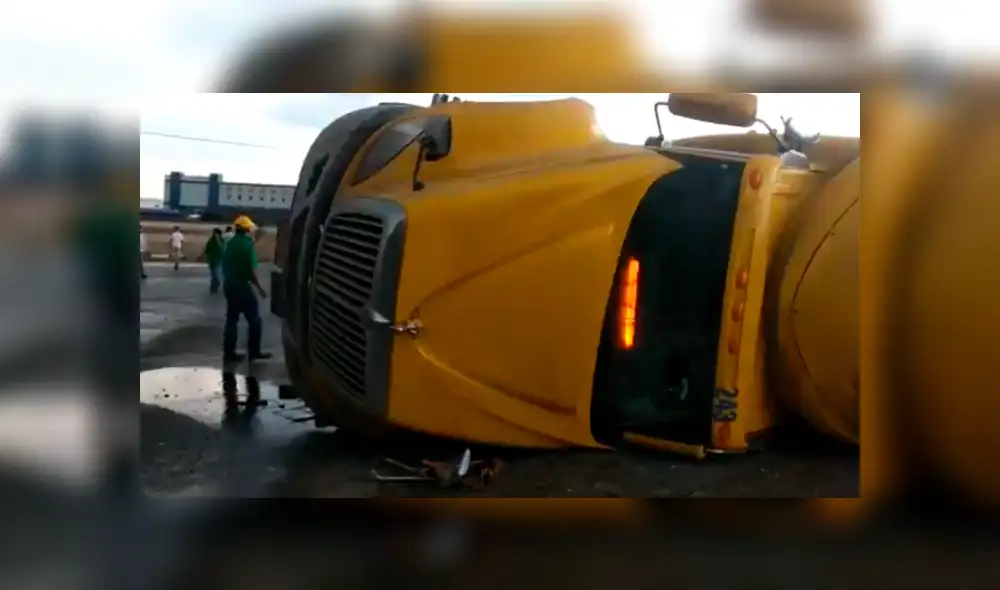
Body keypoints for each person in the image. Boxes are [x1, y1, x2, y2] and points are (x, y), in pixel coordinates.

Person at [221, 215, 272, 363]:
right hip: (242, 286)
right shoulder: (247, 245)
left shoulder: (230, 243)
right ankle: (254, 351)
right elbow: (250, 270)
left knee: (232, 320)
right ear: (247, 229)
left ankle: (229, 352)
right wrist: (260, 288)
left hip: (229, 285)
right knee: (255, 320)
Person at [203, 228, 225, 293]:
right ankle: (213, 287)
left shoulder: (221, 240)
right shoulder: (211, 240)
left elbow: (223, 248)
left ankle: (216, 284)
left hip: (219, 259)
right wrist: (206, 257)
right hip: (212, 259)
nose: (214, 235)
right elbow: (207, 249)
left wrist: (218, 240)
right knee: (213, 274)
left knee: (216, 274)